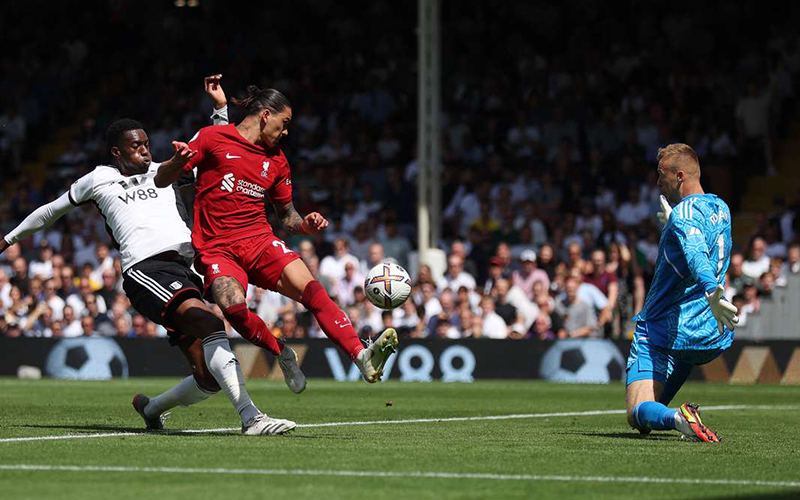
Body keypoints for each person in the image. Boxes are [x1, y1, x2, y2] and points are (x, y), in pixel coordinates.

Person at [0, 108, 298, 436]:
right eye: (136, 146)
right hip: (146, 270)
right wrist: (8, 239)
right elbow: (50, 211)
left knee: (207, 378)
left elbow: (223, 154)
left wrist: (220, 111)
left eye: (146, 143)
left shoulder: (166, 171)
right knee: (211, 324)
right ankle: (251, 418)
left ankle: (151, 408)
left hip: (186, 272)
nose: (146, 150)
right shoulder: (98, 179)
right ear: (117, 151)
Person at [155, 77, 397, 383]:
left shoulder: (277, 161)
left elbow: (287, 215)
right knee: (234, 310)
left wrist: (305, 223)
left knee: (313, 290)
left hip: (260, 241)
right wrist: (176, 162)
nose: (285, 132)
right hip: (218, 249)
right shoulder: (212, 139)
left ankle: (361, 356)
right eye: (284, 123)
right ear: (265, 115)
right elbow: (161, 181)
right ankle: (280, 351)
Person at [626, 144, 739, 443]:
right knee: (652, 410)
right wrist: (672, 226)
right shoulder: (721, 208)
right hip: (706, 334)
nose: (657, 181)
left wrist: (711, 290)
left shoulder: (684, 215)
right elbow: (698, 238)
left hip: (663, 329)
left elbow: (695, 253)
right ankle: (670, 415)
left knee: (637, 412)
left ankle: (680, 418)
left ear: (679, 176)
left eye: (661, 175)